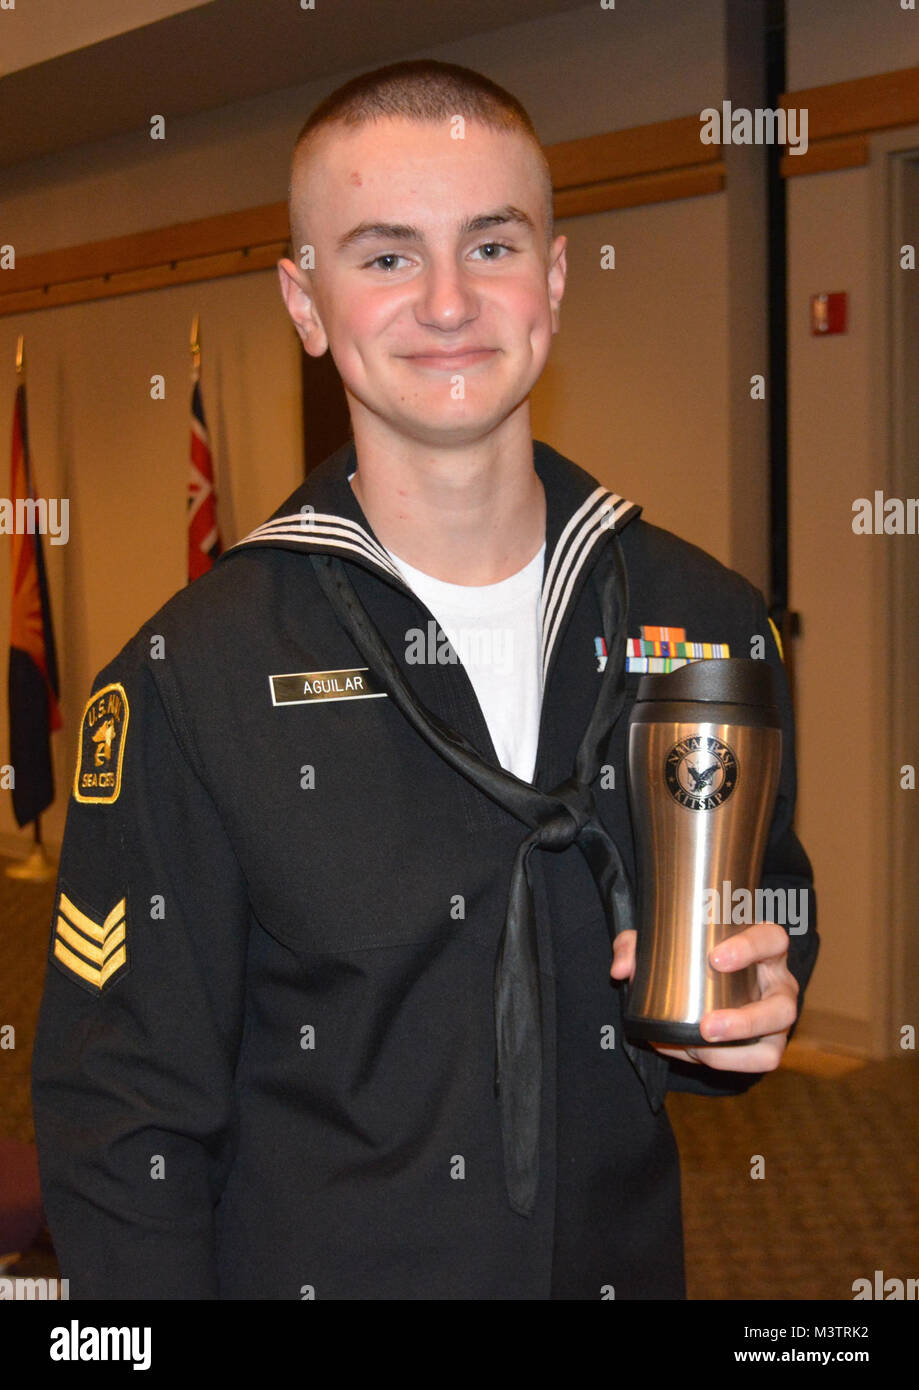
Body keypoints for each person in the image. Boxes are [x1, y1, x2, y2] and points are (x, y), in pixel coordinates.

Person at [31, 59, 817, 1300]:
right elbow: (120, 1126)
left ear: (552, 278)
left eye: (491, 245)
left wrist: (761, 993)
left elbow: (773, 899)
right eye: (386, 256)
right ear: (305, 302)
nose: (449, 302)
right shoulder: (198, 677)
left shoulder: (700, 617)